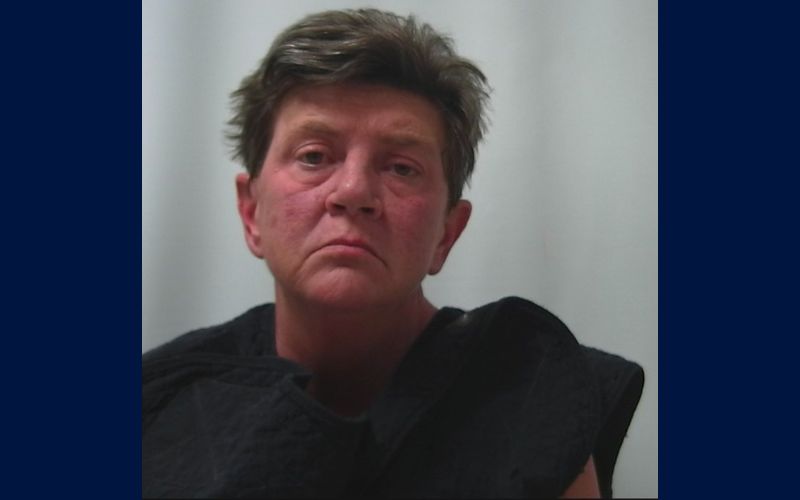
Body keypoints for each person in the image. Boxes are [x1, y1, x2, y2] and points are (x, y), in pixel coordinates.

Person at [142, 8, 643, 498]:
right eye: (313, 156)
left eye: (402, 168)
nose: (353, 191)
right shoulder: (157, 398)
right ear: (251, 212)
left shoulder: (529, 389)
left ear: (447, 233)